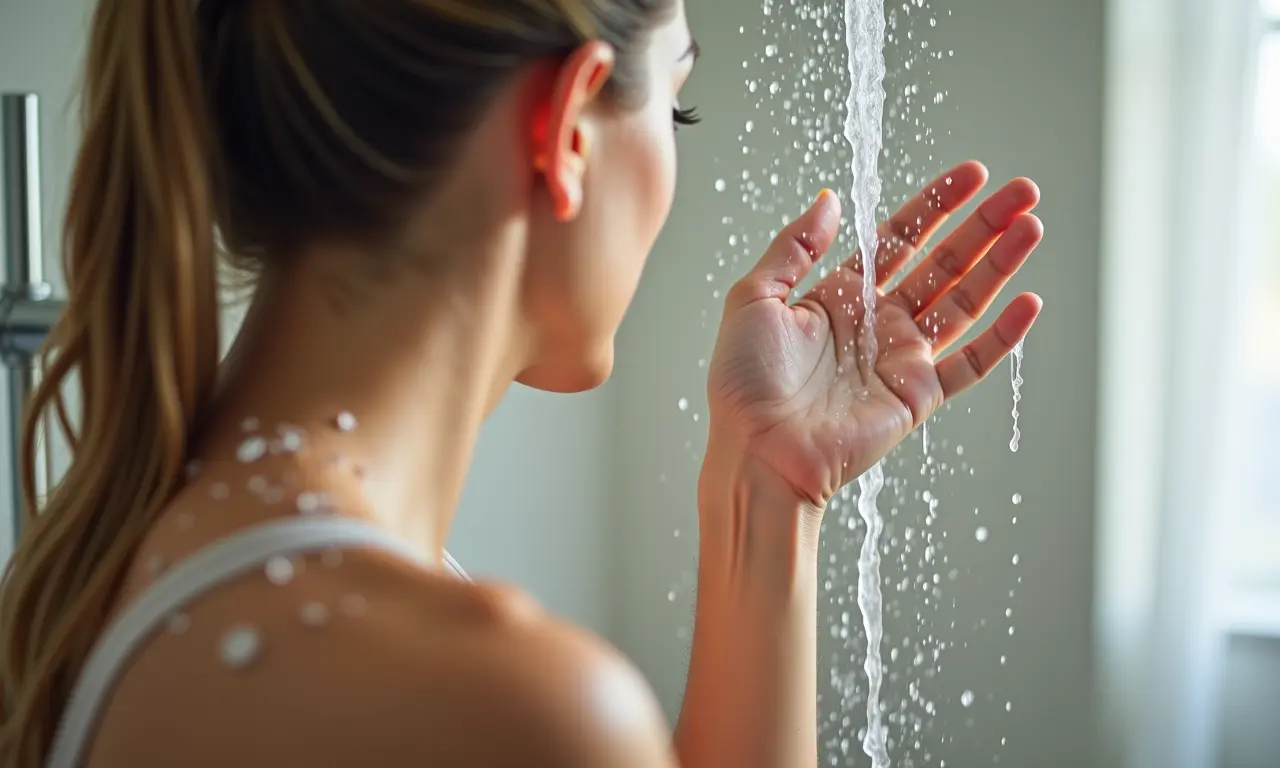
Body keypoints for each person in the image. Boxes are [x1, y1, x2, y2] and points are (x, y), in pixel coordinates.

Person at [0, 0, 1044, 766]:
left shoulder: (119, 557)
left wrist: (765, 492)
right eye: (672, 109)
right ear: (568, 130)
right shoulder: (506, 708)